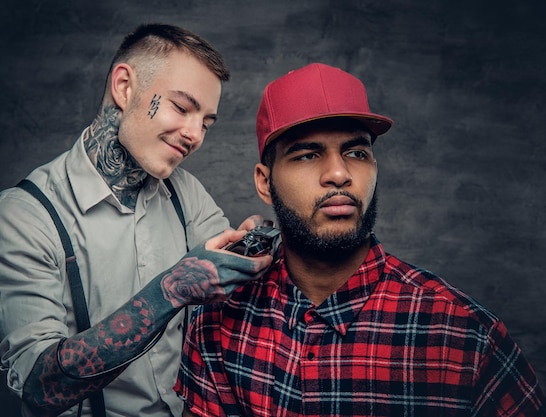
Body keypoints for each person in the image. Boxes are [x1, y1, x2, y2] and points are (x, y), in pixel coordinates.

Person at [175, 63, 545, 416]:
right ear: (264, 182)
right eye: (307, 155)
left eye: (356, 153)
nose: (339, 173)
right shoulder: (219, 322)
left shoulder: (463, 334)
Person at [0, 23, 273, 417]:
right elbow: (40, 387)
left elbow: (232, 295)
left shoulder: (185, 192)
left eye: (205, 122)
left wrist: (250, 250)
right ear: (124, 86)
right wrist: (170, 291)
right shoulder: (24, 215)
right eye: (182, 108)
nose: (194, 134)